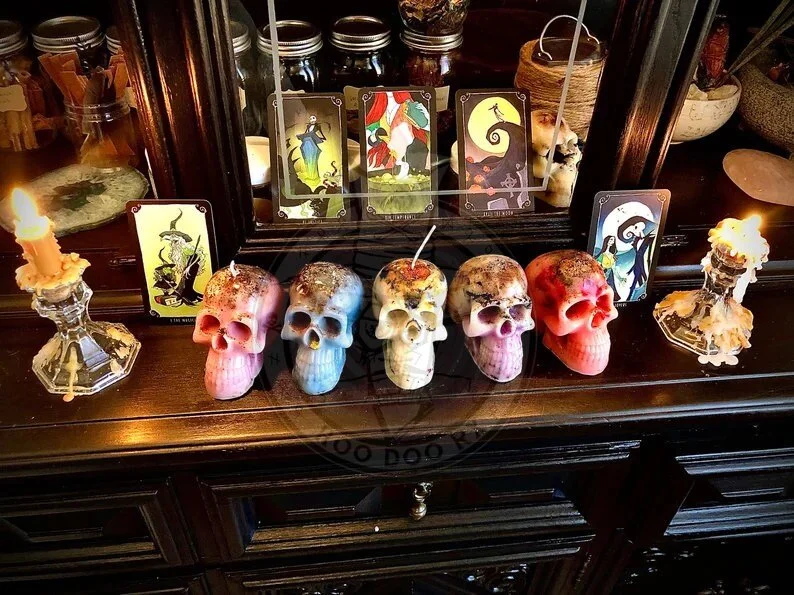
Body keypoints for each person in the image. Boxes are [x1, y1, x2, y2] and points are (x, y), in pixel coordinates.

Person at [296, 115, 326, 183]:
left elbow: (323, 137)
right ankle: (309, 176)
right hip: (306, 146)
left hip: (313, 146)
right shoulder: (308, 126)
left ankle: (314, 177)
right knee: (307, 162)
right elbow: (305, 134)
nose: (312, 121)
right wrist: (301, 136)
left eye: (313, 120)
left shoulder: (318, 127)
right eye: (311, 120)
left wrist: (319, 137)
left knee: (312, 162)